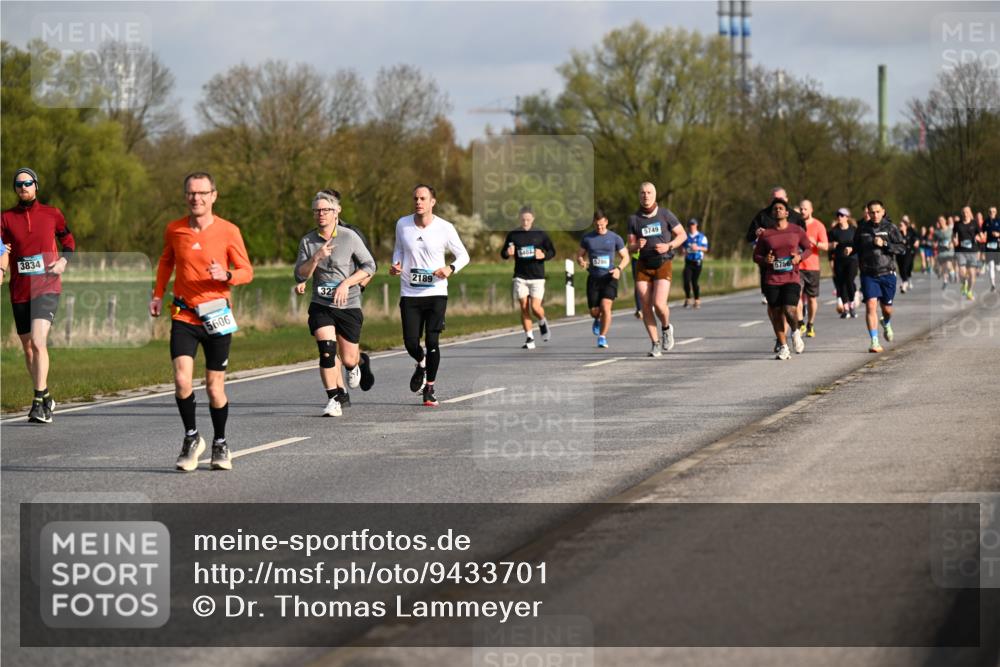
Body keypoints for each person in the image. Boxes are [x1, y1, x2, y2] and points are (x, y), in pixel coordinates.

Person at [150, 172, 253, 471]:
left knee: (213, 387)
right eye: (191, 193)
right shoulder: (175, 229)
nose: (197, 198)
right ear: (186, 196)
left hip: (217, 314)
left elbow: (247, 270)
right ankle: (192, 437)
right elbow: (166, 262)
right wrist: (157, 294)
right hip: (184, 314)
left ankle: (220, 443)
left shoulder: (229, 231)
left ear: (213, 196)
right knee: (182, 380)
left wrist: (228, 275)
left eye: (202, 193)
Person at [1, 168, 76, 424]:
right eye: (19, 184)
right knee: (28, 348)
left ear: (36, 186)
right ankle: (45, 395)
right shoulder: (6, 218)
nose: (23, 187)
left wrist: (64, 262)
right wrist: (1, 267)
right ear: (15, 189)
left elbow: (69, 241)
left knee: (38, 340)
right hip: (20, 289)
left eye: (28, 183)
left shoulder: (52, 214)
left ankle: (37, 402)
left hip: (47, 286)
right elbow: (1, 247)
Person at [294, 190, 377, 416]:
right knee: (327, 351)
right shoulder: (308, 241)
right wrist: (315, 258)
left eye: (325, 210)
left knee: (349, 358)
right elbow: (300, 274)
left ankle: (357, 364)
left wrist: (347, 284)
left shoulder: (349, 237)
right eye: (317, 210)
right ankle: (333, 398)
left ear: (335, 212)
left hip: (348, 305)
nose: (321, 214)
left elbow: (370, 266)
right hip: (321, 305)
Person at [389, 184, 470, 407]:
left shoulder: (445, 227)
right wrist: (396, 264)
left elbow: (464, 256)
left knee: (432, 341)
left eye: (423, 198)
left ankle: (430, 388)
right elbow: (399, 249)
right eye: (415, 198)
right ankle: (421, 363)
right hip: (409, 292)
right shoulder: (402, 224)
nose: (418, 202)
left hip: (436, 293)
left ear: (432, 202)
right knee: (410, 343)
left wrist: (450, 269)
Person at [627, 182, 686, 357]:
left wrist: (668, 246)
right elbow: (629, 246)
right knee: (645, 306)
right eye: (642, 193)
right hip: (643, 264)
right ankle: (655, 343)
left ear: (655, 194)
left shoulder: (665, 214)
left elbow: (682, 235)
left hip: (663, 262)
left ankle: (666, 328)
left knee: (659, 304)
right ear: (639, 195)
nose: (646, 195)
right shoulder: (634, 219)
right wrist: (636, 245)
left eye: (649, 192)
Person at [752, 198, 811, 360]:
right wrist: (765, 260)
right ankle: (783, 347)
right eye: (775, 209)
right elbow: (756, 255)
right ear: (772, 214)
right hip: (772, 279)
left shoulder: (797, 230)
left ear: (787, 213)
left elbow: (808, 248)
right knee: (776, 313)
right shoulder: (766, 234)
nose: (778, 210)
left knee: (789, 308)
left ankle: (795, 332)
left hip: (791, 277)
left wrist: (799, 257)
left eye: (781, 208)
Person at [843, 200, 905, 353]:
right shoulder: (862, 228)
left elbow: (902, 248)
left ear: (883, 211)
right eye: (872, 212)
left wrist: (884, 244)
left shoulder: (890, 228)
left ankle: (887, 322)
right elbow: (856, 246)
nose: (875, 215)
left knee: (887, 309)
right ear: (868, 213)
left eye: (878, 211)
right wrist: (851, 250)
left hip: (887, 273)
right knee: (871, 305)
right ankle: (874, 341)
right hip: (868, 274)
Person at [500, 205, 556, 350]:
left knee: (535, 307)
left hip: (537, 276)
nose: (525, 222)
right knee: (524, 307)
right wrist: (508, 252)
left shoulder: (540, 234)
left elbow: (552, 251)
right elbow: (503, 254)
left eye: (528, 219)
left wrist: (543, 255)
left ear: (533, 219)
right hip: (520, 276)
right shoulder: (513, 235)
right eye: (523, 219)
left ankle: (542, 321)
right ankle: (529, 338)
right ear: (520, 219)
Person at [577, 209, 629, 349]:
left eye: (601, 224)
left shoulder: (615, 238)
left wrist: (618, 269)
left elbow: (626, 257)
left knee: (606, 307)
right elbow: (579, 255)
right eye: (597, 225)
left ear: (606, 222)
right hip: (593, 278)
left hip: (610, 278)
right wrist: (581, 261)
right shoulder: (587, 238)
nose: (599, 227)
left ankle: (602, 337)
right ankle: (597, 319)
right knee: (594, 311)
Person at [747, 186, 807, 305]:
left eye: (781, 199)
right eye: (775, 199)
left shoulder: (795, 217)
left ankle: (798, 314)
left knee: (790, 304)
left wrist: (799, 255)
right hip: (769, 267)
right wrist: (756, 233)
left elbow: (804, 239)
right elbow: (749, 237)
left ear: (786, 199)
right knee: (774, 307)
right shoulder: (762, 215)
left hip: (790, 266)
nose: (778, 203)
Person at [795, 200, 828, 337]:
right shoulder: (795, 225)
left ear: (811, 210)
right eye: (801, 209)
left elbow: (826, 246)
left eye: (805, 209)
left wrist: (815, 243)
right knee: (796, 296)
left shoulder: (818, 225)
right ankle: (800, 322)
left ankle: (811, 323)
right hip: (797, 265)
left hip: (812, 267)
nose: (803, 211)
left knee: (812, 298)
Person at [828, 208, 859, 319]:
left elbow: (859, 245)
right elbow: (829, 248)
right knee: (841, 284)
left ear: (847, 217)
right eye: (838, 215)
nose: (839, 217)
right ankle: (845, 308)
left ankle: (852, 305)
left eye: (842, 215)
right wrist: (832, 246)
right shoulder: (833, 231)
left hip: (852, 260)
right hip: (839, 260)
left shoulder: (854, 230)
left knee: (849, 281)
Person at [953, 206, 982, 301]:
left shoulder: (974, 223)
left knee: (972, 274)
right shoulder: (957, 224)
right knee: (962, 272)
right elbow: (954, 236)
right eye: (964, 212)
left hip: (972, 251)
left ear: (970, 213)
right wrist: (954, 240)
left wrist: (980, 238)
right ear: (962, 213)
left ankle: (969, 291)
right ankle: (964, 284)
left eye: (967, 212)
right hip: (961, 251)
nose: (965, 214)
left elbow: (980, 235)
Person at [682, 218, 709, 308]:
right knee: (686, 280)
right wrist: (684, 251)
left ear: (696, 225)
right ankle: (687, 298)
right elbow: (682, 247)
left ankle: (697, 300)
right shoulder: (685, 237)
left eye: (693, 225)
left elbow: (705, 248)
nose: (692, 227)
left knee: (694, 281)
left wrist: (697, 248)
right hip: (688, 261)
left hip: (697, 261)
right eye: (690, 225)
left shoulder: (702, 237)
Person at [896, 215, 919, 293]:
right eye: (899, 225)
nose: (900, 227)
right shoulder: (897, 233)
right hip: (899, 254)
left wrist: (916, 241)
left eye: (901, 225)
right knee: (901, 269)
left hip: (908, 253)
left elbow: (915, 237)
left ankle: (905, 282)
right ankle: (905, 281)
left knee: (906, 267)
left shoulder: (910, 231)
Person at [935, 215, 956, 289]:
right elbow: (935, 242)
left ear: (945, 221)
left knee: (948, 264)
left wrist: (952, 243)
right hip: (941, 251)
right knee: (944, 267)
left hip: (949, 251)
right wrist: (936, 244)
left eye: (942, 220)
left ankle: (952, 273)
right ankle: (945, 281)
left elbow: (954, 239)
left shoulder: (950, 230)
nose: (941, 222)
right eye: (939, 221)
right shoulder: (937, 232)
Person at [984, 205, 999, 292]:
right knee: (991, 265)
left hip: (997, 246)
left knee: (998, 267)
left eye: (993, 211)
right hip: (989, 247)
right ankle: (993, 285)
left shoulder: (999, 221)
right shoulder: (985, 222)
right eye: (990, 212)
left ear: (996, 213)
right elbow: (981, 232)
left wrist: (998, 234)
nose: (991, 213)